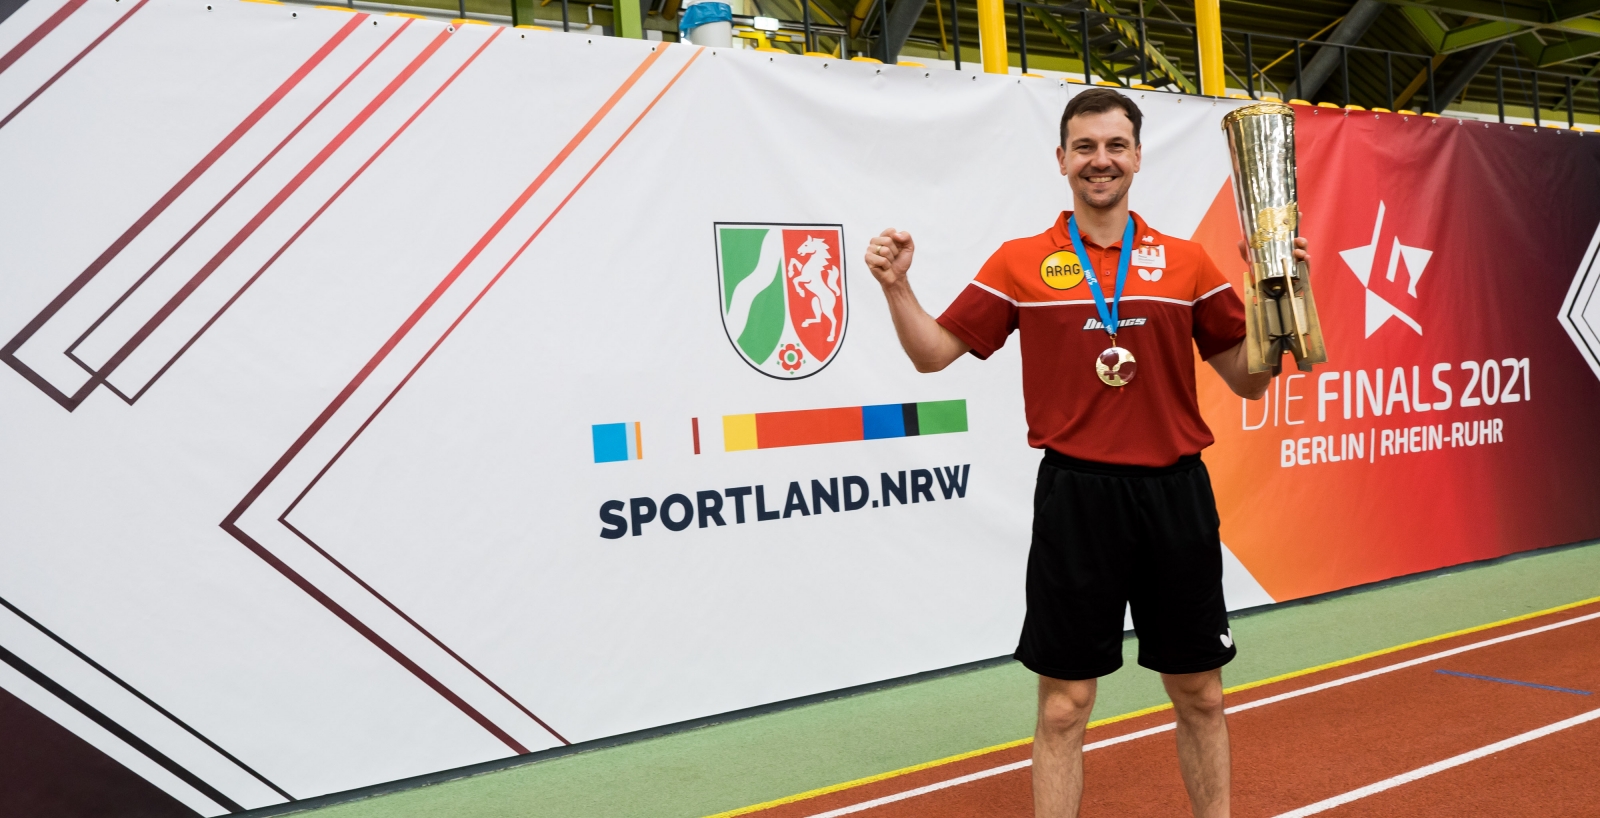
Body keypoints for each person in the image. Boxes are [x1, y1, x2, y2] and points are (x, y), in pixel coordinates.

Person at [863, 88, 1310, 818]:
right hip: (1077, 499)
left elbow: (1250, 382)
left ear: (1137, 156)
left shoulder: (1188, 264)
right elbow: (933, 355)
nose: (1100, 161)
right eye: (1085, 147)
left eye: (1114, 146)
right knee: (1065, 706)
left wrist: (1282, 296)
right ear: (1063, 159)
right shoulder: (1020, 263)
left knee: (1199, 691)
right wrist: (897, 287)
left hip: (1175, 495)